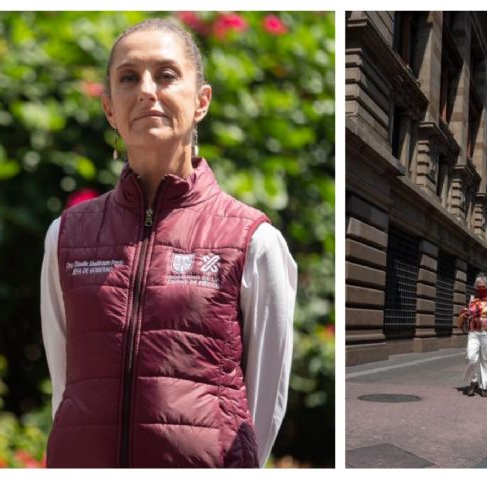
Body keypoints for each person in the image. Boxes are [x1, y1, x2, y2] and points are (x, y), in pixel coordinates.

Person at [40, 19, 297, 468]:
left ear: (201, 101)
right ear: (109, 109)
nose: (146, 90)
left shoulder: (252, 240)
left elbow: (263, 404)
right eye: (128, 77)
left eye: (166, 75)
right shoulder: (66, 236)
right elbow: (66, 384)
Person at [457, 273, 487, 398]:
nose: (481, 289)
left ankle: (484, 386)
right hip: (473, 332)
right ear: (475, 287)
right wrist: (465, 313)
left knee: (486, 360)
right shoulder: (472, 299)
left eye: (483, 286)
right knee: (470, 356)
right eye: (479, 287)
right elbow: (464, 311)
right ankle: (473, 381)